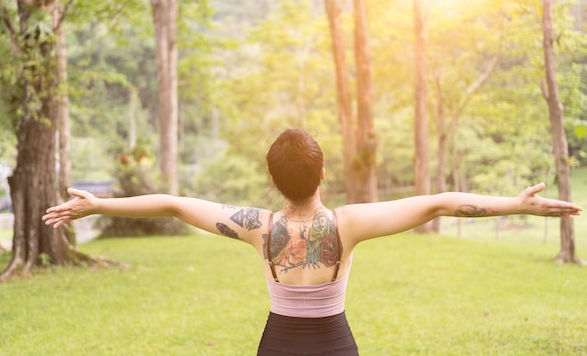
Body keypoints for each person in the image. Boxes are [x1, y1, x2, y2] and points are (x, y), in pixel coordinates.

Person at [42, 128, 582, 356]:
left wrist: (99, 204)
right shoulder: (348, 225)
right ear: (321, 174)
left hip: (276, 345)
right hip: (335, 345)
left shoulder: (257, 226)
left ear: (273, 180)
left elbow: (174, 203)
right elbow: (440, 202)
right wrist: (515, 204)